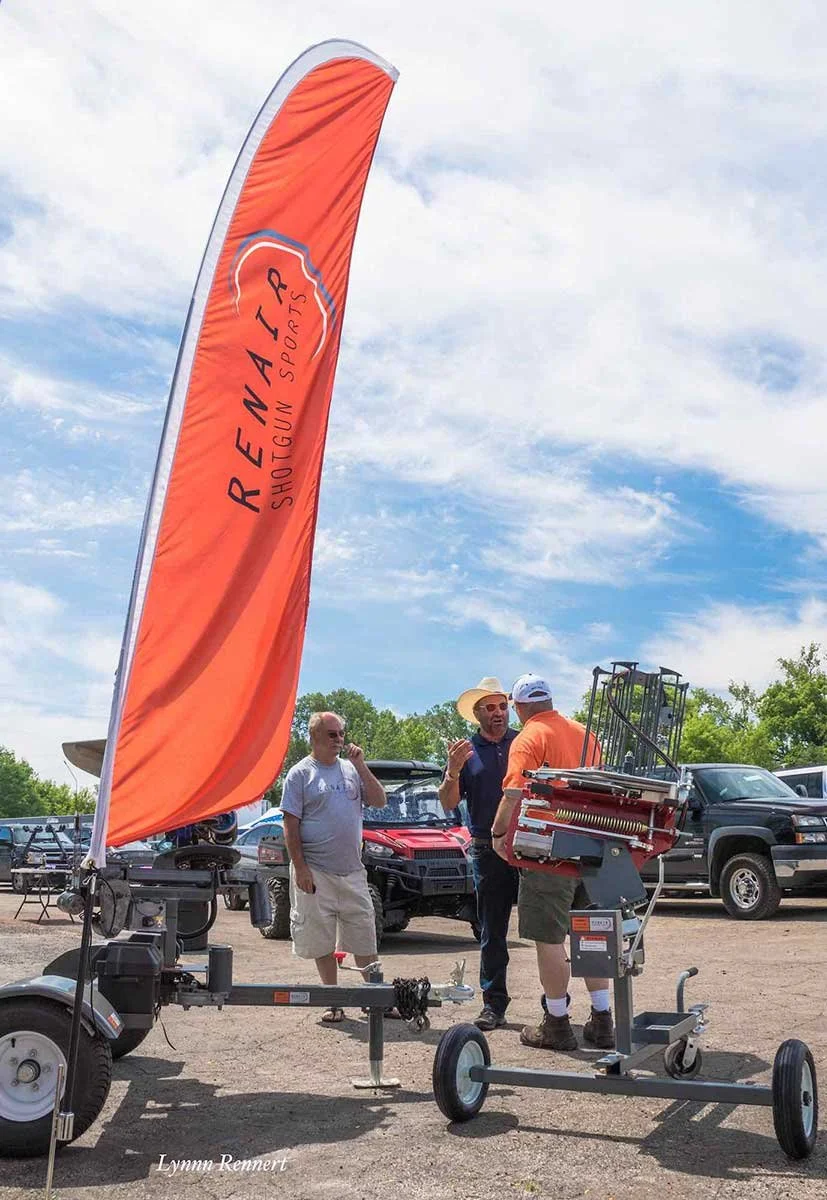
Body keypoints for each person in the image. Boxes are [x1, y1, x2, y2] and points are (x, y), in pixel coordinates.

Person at [491, 673, 614, 1052]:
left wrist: (498, 834)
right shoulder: (586, 734)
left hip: (548, 849)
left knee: (549, 937)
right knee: (591, 931)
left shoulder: (529, 736)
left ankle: (557, 1022)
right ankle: (603, 1018)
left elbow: (514, 790)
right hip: (593, 843)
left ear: (519, 706)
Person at [281, 710, 388, 1023]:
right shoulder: (300, 774)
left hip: (352, 870)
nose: (339, 740)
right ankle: (333, 1001)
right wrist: (300, 868)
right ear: (314, 737)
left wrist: (361, 765)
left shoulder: (351, 769)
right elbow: (290, 823)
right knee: (321, 939)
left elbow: (379, 800)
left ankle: (375, 999)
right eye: (332, 734)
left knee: (365, 935)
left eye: (341, 733)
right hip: (315, 870)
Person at [438, 676, 520, 1031]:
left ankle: (556, 1007)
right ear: (477, 713)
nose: (499, 712)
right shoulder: (465, 753)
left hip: (531, 846)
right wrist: (453, 771)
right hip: (488, 849)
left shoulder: (523, 743)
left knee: (550, 929)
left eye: (503, 705)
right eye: (490, 707)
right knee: (492, 931)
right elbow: (448, 802)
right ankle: (494, 1004)